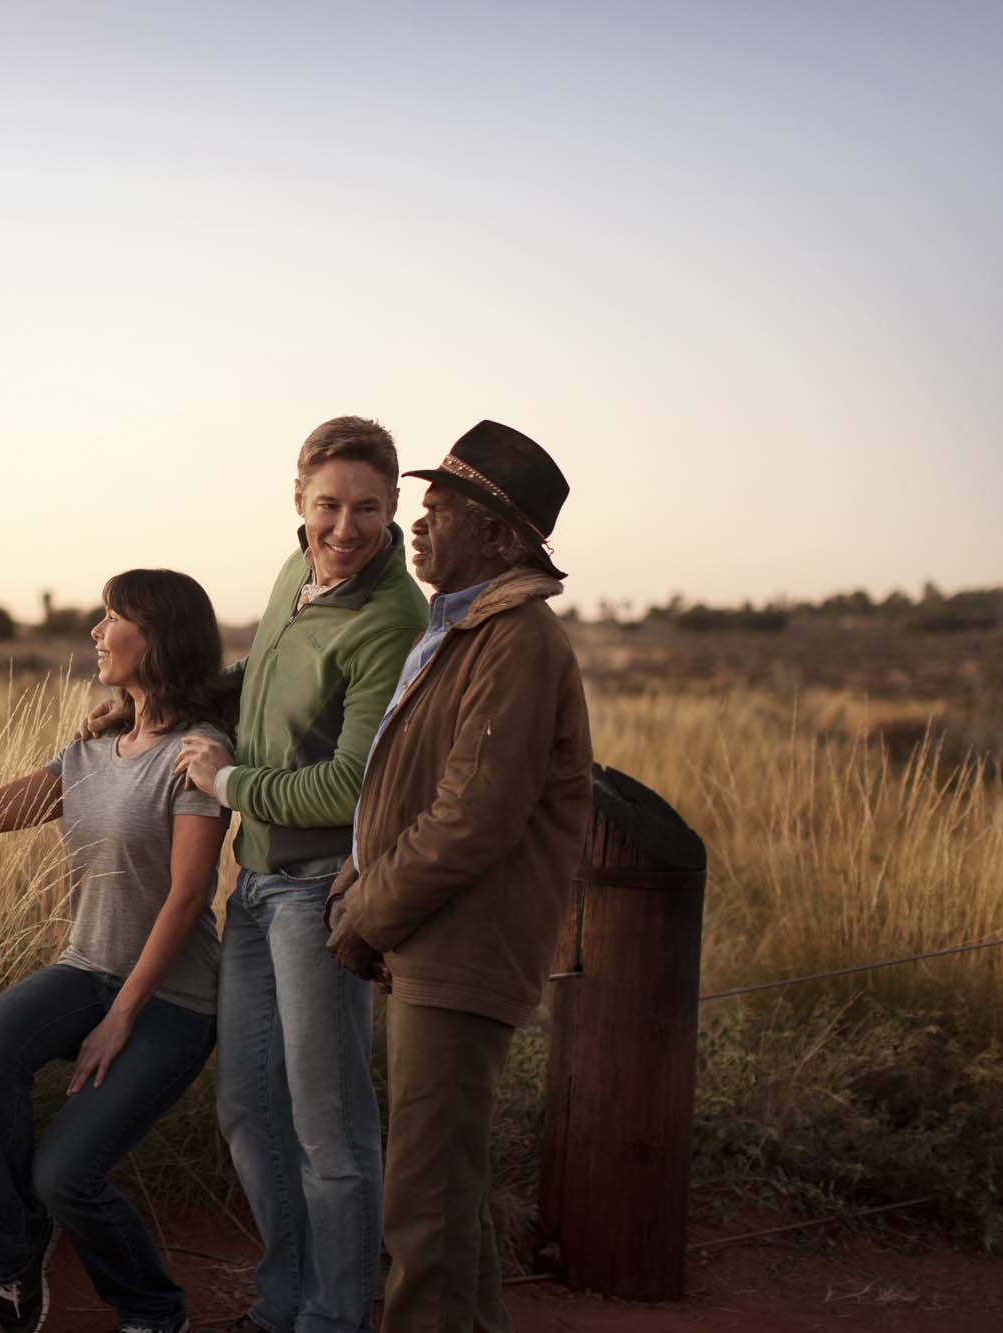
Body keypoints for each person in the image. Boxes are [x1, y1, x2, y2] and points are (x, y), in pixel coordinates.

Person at [0, 568, 234, 1333]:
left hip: (171, 1000)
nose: (96, 630)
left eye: (113, 617)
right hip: (85, 968)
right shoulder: (87, 751)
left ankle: (154, 1307)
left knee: (66, 1176)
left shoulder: (197, 752)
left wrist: (121, 1018)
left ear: (156, 635)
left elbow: (188, 897)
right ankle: (16, 1269)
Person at [324, 420, 593, 1333]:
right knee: (448, 1202)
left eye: (441, 509)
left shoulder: (514, 639)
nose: (418, 524)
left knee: (426, 1210)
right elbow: (415, 791)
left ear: (498, 532)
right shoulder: (468, 630)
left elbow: (474, 815)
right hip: (437, 938)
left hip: (462, 944)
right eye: (425, 506)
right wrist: (360, 884)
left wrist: (369, 907)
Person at [169, 416, 429, 1333]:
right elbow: (260, 680)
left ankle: (333, 1319)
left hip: (321, 891)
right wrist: (181, 707)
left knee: (329, 1129)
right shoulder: (297, 571)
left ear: (393, 506)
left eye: (366, 507)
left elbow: (353, 784)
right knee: (247, 1106)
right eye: (328, 505)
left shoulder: (393, 617)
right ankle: (284, 1302)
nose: (344, 527)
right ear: (299, 500)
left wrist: (227, 780)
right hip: (255, 885)